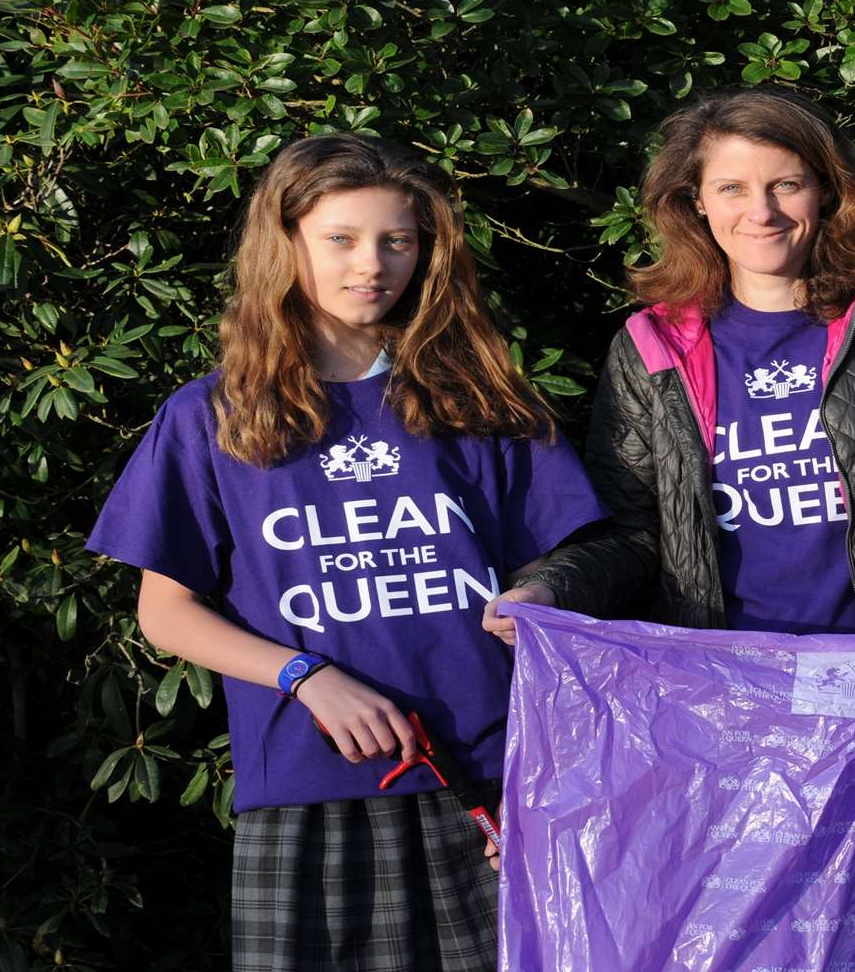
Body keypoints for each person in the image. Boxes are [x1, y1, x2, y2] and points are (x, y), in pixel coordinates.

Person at [484, 86, 855, 961]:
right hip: (729, 722)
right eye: (732, 188)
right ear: (694, 203)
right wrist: (548, 588)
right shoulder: (651, 345)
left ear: (828, 191)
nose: (761, 210)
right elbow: (632, 530)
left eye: (786, 184)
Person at [86, 134, 608, 971]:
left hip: (486, 779)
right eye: (341, 238)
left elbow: (573, 562)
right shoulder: (211, 414)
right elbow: (165, 613)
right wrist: (306, 676)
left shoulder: (477, 397)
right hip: (308, 782)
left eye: (397, 240)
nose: (372, 264)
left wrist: (541, 599)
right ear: (286, 244)